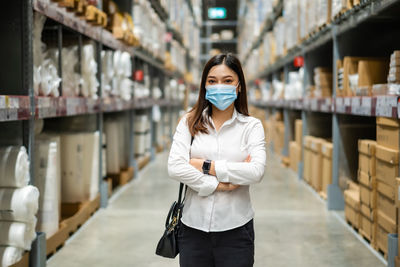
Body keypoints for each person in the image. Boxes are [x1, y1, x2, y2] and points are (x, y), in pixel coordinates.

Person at [168, 53, 266, 267]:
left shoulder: (251, 127)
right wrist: (217, 185)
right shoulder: (189, 122)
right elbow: (175, 167)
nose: (219, 86)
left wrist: (205, 166)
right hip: (192, 230)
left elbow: (256, 171)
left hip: (236, 231)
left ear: (239, 85)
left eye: (227, 80)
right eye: (212, 81)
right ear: (204, 86)